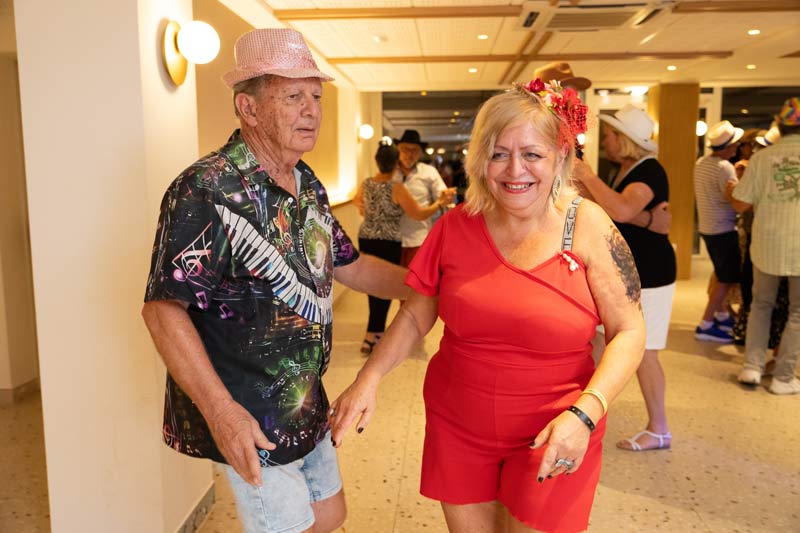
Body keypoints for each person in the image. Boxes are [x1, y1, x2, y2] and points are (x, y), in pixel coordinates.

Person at [329, 79, 646, 532]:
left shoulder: (590, 226)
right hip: (457, 422)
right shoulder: (455, 226)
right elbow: (416, 314)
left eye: (532, 154)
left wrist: (586, 414)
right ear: (480, 160)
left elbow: (629, 330)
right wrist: (369, 378)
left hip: (556, 426)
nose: (515, 170)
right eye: (499, 154)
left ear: (560, 155)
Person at [141, 28, 409, 533]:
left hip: (304, 400)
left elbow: (350, 265)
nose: (312, 111)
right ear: (248, 107)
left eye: (316, 96)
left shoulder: (307, 184)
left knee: (330, 515)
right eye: (292, 97)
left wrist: (430, 285)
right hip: (248, 410)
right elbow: (162, 310)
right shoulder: (206, 187)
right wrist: (222, 413)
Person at [573, 104, 677, 452]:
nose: (606, 141)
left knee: (645, 351)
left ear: (625, 139)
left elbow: (620, 209)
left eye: (610, 135)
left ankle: (659, 428)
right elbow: (611, 208)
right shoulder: (627, 169)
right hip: (630, 270)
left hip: (652, 273)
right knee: (599, 340)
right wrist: (647, 220)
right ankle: (581, 410)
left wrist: (587, 175)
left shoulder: (649, 171)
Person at [354, 144, 454, 354]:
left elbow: (357, 200)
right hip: (388, 240)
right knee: (385, 287)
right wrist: (439, 204)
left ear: (377, 162)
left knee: (372, 286)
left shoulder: (367, 183)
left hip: (366, 238)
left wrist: (368, 210)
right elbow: (418, 214)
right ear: (395, 164)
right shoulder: (396, 187)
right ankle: (374, 335)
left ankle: (372, 334)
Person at [731, 97, 800, 394]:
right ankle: (784, 377)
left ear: (780, 126)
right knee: (798, 312)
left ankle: (752, 367)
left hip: (767, 243)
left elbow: (740, 203)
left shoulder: (761, 158)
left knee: (761, 304)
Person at [693, 120, 744, 343]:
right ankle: (706, 324)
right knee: (726, 279)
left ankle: (722, 315)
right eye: (736, 143)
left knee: (721, 274)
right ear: (728, 146)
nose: (738, 147)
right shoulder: (725, 168)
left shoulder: (701, 163)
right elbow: (735, 199)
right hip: (723, 228)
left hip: (707, 227)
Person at [394, 129, 451, 266]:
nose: (409, 154)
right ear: (398, 150)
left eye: (414, 150)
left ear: (420, 153)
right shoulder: (390, 172)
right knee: (393, 277)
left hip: (420, 237)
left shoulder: (429, 172)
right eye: (405, 149)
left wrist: (447, 196)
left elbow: (443, 196)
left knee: (417, 276)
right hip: (393, 238)